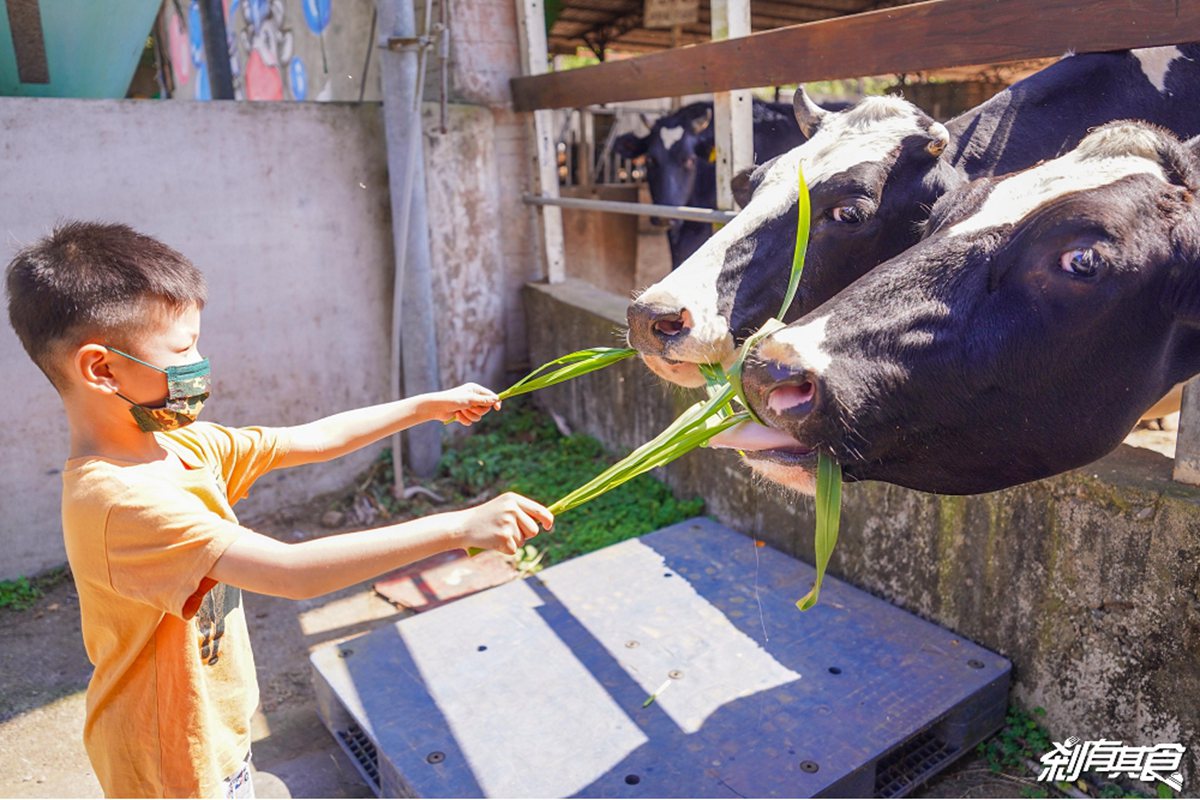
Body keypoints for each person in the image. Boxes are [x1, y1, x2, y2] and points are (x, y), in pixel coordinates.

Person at [4, 221, 554, 798]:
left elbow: (312, 439)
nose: (199, 361)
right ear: (101, 368)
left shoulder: (182, 446)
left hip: (214, 736)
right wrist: (458, 526)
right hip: (169, 766)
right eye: (183, 348)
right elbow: (294, 573)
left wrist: (425, 406)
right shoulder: (120, 502)